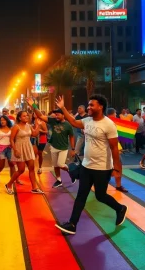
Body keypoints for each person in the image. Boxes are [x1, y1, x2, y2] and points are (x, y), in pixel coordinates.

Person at [52, 94, 127, 235]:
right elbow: (74, 122)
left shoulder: (109, 124)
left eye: (92, 105)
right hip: (87, 166)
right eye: (88, 105)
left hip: (102, 168)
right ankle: (72, 224)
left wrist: (117, 169)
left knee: (100, 196)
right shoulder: (87, 120)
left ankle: (120, 208)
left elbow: (115, 149)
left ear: (101, 106)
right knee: (81, 195)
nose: (88, 107)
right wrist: (62, 108)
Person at [26, 100, 75, 187]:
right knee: (55, 165)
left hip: (63, 147)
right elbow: (40, 115)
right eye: (55, 114)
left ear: (63, 115)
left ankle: (72, 171)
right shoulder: (53, 121)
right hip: (54, 146)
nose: (56, 116)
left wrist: (73, 149)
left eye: (58, 114)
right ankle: (59, 180)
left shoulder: (68, 125)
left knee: (60, 164)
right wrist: (33, 105)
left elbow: (71, 136)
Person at [5, 111, 43, 195]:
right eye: (24, 116)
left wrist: (38, 125)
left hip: (28, 147)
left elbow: (34, 134)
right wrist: (15, 150)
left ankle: (34, 188)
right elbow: (11, 139)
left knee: (31, 168)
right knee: (21, 170)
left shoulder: (29, 126)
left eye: (27, 116)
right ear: (19, 118)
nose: (27, 117)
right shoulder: (16, 127)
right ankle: (9, 184)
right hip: (19, 148)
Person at [0, 115, 22, 184]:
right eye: (1, 120)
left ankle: (15, 179)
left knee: (12, 164)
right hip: (0, 149)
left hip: (9, 148)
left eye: (4, 120)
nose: (2, 121)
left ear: (7, 121)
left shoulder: (11, 128)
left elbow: (14, 138)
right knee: (1, 165)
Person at [106, 108, 128, 192]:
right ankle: (117, 185)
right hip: (110, 148)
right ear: (113, 114)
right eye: (115, 114)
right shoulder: (110, 122)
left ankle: (118, 185)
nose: (116, 115)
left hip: (112, 147)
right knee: (116, 166)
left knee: (115, 166)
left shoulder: (109, 122)